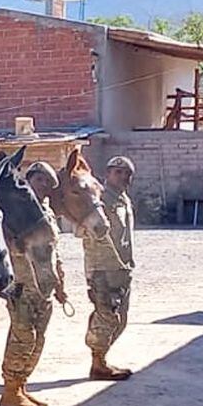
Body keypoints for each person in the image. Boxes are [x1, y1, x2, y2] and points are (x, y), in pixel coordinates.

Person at [0, 161, 70, 406]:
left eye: (47, 183)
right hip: (22, 286)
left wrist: (60, 283)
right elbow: (2, 246)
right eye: (39, 180)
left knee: (38, 339)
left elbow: (54, 252)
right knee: (22, 338)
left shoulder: (47, 214)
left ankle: (21, 385)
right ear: (28, 182)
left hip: (45, 288)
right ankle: (9, 390)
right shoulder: (14, 214)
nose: (43, 186)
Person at [86, 155, 137, 380]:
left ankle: (101, 358)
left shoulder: (123, 199)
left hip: (122, 269)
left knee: (120, 319)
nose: (123, 177)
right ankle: (98, 363)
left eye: (127, 173)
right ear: (107, 175)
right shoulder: (99, 200)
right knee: (106, 316)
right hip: (103, 268)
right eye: (118, 172)